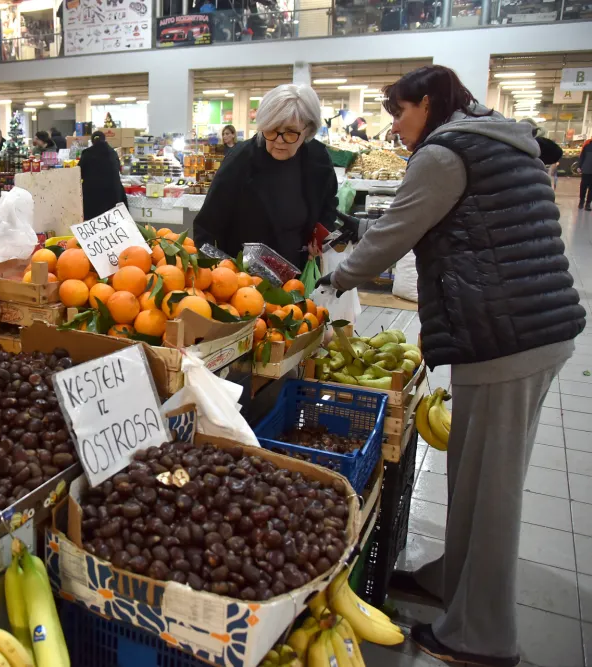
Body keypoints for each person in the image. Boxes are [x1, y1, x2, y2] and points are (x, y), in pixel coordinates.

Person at [318, 65, 585, 666]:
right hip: (531, 326)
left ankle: (482, 635)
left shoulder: (445, 154)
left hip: (505, 336)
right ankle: (451, 583)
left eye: (399, 112)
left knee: (491, 488)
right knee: (473, 471)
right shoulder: (501, 140)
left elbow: (393, 232)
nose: (395, 128)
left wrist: (337, 278)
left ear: (430, 102)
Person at [194, 84, 338, 269]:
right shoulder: (240, 161)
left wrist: (320, 238)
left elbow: (328, 204)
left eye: (290, 132)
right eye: (270, 130)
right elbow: (206, 227)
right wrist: (221, 276)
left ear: (308, 130)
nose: (279, 140)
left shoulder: (317, 159)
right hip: (243, 281)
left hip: (299, 272)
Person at [78, 131, 128, 220]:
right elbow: (118, 169)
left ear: (92, 141)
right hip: (113, 193)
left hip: (93, 194)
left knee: (94, 220)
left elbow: (79, 173)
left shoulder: (87, 153)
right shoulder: (113, 152)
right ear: (105, 139)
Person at [579, 137, 592, 211]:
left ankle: (588, 203)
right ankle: (581, 201)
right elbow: (582, 156)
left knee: (591, 189)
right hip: (586, 170)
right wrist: (579, 166)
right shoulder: (587, 145)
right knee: (583, 187)